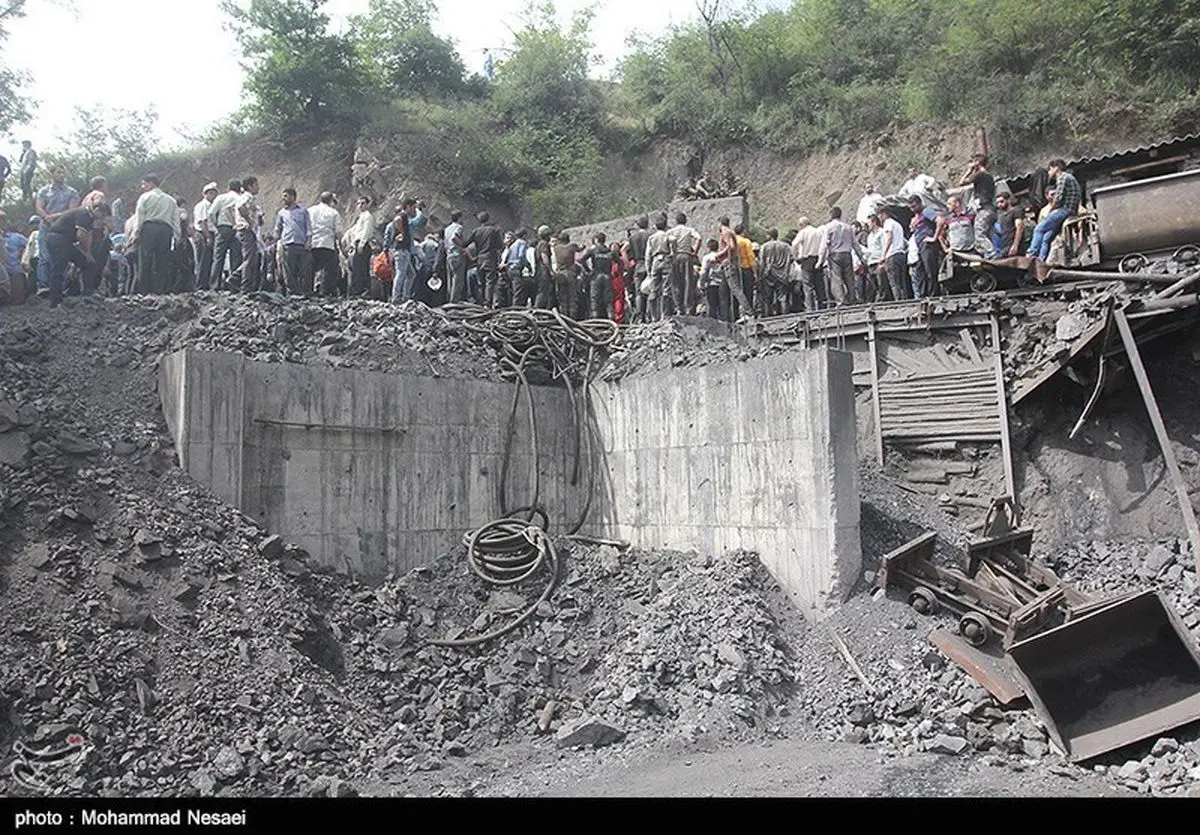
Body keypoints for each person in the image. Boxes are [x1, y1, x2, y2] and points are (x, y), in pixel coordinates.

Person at [45, 200, 110, 306]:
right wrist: (86, 253)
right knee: (58, 268)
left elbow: (87, 237)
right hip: (58, 240)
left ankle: (87, 293)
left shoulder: (86, 217)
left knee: (89, 264)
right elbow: (81, 235)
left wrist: (86, 255)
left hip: (65, 241)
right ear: (97, 210)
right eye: (102, 215)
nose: (101, 219)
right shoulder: (84, 214)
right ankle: (55, 300)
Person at [128, 174, 181, 295]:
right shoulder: (170, 200)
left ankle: (143, 291)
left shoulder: (145, 197)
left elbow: (140, 216)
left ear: (151, 183)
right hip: (165, 230)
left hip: (149, 228)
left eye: (144, 183)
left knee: (145, 260)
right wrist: (177, 235)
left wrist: (136, 233)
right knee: (162, 261)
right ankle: (160, 290)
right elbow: (175, 219)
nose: (143, 186)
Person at [1029, 159, 1081, 278]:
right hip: (1071, 211)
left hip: (1065, 210)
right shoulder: (1070, 177)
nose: (1049, 172)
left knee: (1038, 229)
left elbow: (1058, 199)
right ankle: (1041, 260)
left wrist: (1050, 212)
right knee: (1047, 236)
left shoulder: (1062, 177)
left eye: (1050, 169)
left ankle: (1031, 254)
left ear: (1056, 167)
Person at [34, 167, 81, 298]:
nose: (61, 175)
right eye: (58, 172)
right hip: (45, 226)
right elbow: (39, 207)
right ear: (52, 174)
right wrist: (47, 218)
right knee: (44, 256)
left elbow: (72, 210)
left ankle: (62, 287)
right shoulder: (44, 191)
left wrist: (54, 217)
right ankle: (43, 286)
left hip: (63, 229)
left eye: (63, 172)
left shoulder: (71, 192)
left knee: (62, 257)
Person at [816, 206, 864, 307]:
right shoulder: (848, 227)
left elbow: (824, 245)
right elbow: (855, 244)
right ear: (840, 214)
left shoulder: (828, 227)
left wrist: (820, 261)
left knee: (836, 279)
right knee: (849, 278)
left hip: (834, 256)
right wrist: (862, 257)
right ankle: (852, 299)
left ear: (831, 215)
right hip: (847, 254)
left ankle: (841, 301)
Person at [275, 187, 312, 295]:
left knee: (304, 270)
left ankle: (305, 292)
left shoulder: (303, 211)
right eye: (283, 196)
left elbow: (308, 228)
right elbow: (278, 229)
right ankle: (292, 293)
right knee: (289, 271)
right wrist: (275, 242)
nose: (283, 199)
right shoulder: (281, 213)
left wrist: (309, 241)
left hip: (301, 244)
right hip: (287, 244)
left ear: (293, 197)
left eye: (286, 196)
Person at [306, 191, 343, 297]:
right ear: (331, 200)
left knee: (310, 269)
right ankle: (325, 292)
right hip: (327, 244)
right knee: (328, 270)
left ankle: (309, 292)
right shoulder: (334, 213)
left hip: (312, 243)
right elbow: (338, 232)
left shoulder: (310, 210)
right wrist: (341, 244)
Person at [960, 153, 997, 258]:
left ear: (977, 162)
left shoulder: (980, 174)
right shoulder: (989, 176)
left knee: (979, 235)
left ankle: (992, 253)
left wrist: (969, 171)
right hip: (990, 209)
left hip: (984, 209)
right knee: (988, 234)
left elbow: (961, 182)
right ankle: (988, 254)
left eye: (974, 161)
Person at [208, 179, 242, 290]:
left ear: (228, 187)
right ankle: (233, 285)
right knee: (235, 258)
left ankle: (214, 285)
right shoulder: (240, 198)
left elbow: (211, 213)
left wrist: (215, 226)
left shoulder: (221, 198)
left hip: (223, 228)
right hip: (237, 228)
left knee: (218, 258)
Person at [465, 210, 504, 308]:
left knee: (481, 282)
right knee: (490, 281)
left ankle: (481, 302)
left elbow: (465, 244)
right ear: (488, 218)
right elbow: (500, 245)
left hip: (479, 259)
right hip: (490, 258)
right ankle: (487, 303)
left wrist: (471, 257)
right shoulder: (493, 230)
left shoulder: (476, 231)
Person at [906, 195, 942, 299]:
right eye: (911, 208)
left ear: (920, 203)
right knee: (921, 271)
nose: (912, 209)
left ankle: (933, 295)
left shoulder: (926, 211)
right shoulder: (917, 216)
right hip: (920, 246)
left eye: (914, 206)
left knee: (930, 271)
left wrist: (934, 237)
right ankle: (924, 295)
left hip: (928, 245)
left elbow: (940, 221)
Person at [666, 211, 700, 316]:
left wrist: (671, 250)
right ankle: (688, 307)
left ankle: (678, 307)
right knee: (688, 282)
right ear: (686, 221)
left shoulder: (671, 231)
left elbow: (665, 239)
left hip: (676, 256)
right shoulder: (689, 230)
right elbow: (699, 238)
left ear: (676, 221)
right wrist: (695, 252)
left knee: (676, 282)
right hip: (687, 256)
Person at [383, 204, 416, 303]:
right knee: (400, 273)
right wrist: (402, 233)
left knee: (410, 274)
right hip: (401, 250)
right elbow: (398, 221)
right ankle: (396, 297)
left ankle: (405, 296)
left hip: (400, 250)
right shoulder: (400, 218)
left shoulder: (392, 225)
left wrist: (386, 251)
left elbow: (387, 239)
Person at [234, 176, 262, 292]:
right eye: (256, 185)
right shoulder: (247, 197)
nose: (258, 187)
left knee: (252, 257)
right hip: (246, 230)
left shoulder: (246, 197)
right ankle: (245, 286)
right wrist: (249, 222)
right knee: (249, 258)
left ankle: (235, 278)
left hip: (245, 230)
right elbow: (241, 208)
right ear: (249, 186)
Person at [344, 195, 375, 296]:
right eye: (359, 203)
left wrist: (361, 244)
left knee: (360, 269)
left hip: (363, 244)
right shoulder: (361, 217)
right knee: (358, 268)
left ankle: (361, 290)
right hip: (357, 243)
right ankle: (360, 290)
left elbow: (366, 231)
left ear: (367, 204)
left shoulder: (368, 216)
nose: (360, 205)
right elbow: (355, 231)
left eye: (363, 203)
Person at [790, 216, 823, 312]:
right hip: (817, 259)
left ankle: (810, 309)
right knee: (819, 285)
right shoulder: (817, 231)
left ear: (801, 224)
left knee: (808, 286)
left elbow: (794, 244)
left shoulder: (803, 232)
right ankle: (822, 307)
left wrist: (795, 257)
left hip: (806, 260)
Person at [580, 232, 615, 320]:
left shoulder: (593, 251)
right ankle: (611, 322)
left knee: (594, 300)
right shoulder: (610, 252)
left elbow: (582, 260)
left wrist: (588, 271)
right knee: (609, 302)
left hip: (596, 276)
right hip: (607, 276)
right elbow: (620, 262)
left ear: (596, 240)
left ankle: (595, 323)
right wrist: (615, 273)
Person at [757, 228, 792, 317]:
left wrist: (760, 275)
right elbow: (791, 259)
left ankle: (767, 318)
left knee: (767, 298)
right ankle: (785, 317)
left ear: (769, 235)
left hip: (769, 274)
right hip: (783, 275)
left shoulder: (764, 246)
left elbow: (762, 262)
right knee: (783, 297)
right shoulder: (786, 246)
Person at [643, 214, 672, 321]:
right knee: (666, 289)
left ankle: (653, 316)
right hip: (666, 260)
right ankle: (665, 315)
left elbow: (647, 255)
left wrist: (649, 270)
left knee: (653, 290)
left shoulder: (652, 238)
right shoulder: (667, 236)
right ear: (665, 226)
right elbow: (673, 250)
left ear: (655, 226)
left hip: (655, 261)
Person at [877, 206, 909, 302]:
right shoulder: (898, 225)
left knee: (894, 282)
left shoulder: (888, 223)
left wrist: (883, 255)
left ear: (884, 214)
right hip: (901, 254)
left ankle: (899, 302)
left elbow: (889, 238)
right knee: (902, 281)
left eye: (880, 215)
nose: (879, 218)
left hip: (892, 255)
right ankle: (905, 300)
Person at [193, 183, 218, 290]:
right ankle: (200, 286)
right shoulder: (202, 206)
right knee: (203, 261)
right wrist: (208, 237)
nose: (213, 196)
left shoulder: (213, 207)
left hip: (212, 233)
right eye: (210, 193)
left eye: (214, 193)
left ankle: (208, 284)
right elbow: (202, 222)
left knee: (210, 260)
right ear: (205, 194)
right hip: (203, 234)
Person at [551, 230, 581, 317]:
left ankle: (564, 316)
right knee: (572, 296)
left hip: (560, 273)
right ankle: (572, 317)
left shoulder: (556, 248)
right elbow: (579, 249)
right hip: (570, 273)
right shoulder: (572, 246)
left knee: (562, 297)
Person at [504, 227, 533, 308]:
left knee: (513, 289)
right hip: (516, 268)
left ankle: (512, 305)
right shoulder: (522, 243)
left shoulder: (513, 244)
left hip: (510, 268)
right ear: (524, 235)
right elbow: (521, 256)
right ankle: (515, 308)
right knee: (518, 290)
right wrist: (527, 265)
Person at [443, 208, 467, 303]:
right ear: (459, 217)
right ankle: (454, 301)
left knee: (450, 279)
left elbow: (446, 242)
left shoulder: (447, 229)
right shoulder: (459, 227)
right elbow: (454, 237)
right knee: (458, 279)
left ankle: (449, 300)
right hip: (457, 254)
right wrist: (462, 246)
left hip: (449, 254)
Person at [994, 192, 1026, 258]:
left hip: (1014, 247)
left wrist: (1015, 245)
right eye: (997, 203)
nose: (999, 204)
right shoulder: (1002, 217)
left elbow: (1020, 228)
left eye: (1001, 201)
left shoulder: (1016, 211)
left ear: (1008, 200)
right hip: (1005, 247)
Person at [699, 238, 722, 320]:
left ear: (708, 247)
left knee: (712, 307)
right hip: (722, 284)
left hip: (712, 284)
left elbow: (704, 272)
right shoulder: (722, 256)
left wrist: (701, 284)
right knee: (722, 306)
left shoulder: (707, 258)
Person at [533, 225, 554, 309]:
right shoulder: (544, 244)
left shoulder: (539, 244)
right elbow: (544, 257)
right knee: (543, 292)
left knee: (542, 291)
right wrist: (550, 270)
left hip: (539, 270)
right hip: (543, 271)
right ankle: (538, 311)